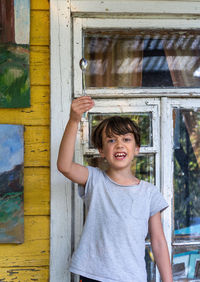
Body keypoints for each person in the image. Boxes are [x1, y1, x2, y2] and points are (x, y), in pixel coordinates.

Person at [57, 96, 173, 282]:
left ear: (137, 148)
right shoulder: (94, 179)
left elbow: (158, 242)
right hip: (92, 275)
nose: (119, 144)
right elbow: (64, 166)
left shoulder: (149, 193)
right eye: (111, 140)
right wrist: (74, 120)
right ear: (101, 151)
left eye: (126, 139)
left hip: (132, 277)